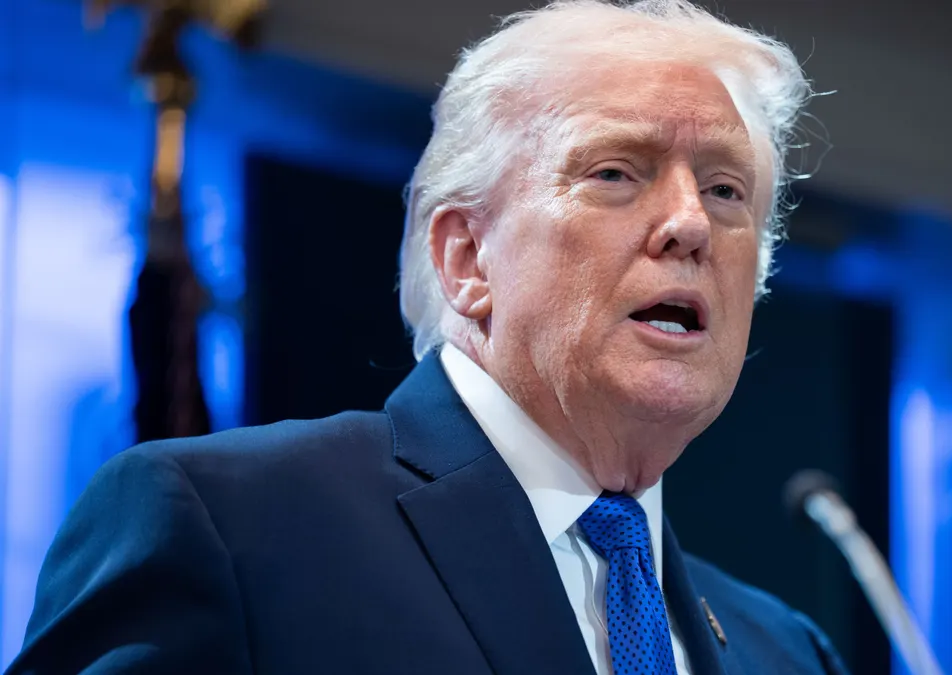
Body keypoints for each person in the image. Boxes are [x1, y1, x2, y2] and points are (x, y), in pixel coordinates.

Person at [7, 1, 846, 673]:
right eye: (615, 173)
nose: (691, 223)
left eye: (727, 190)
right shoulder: (226, 526)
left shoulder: (787, 649)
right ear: (467, 256)